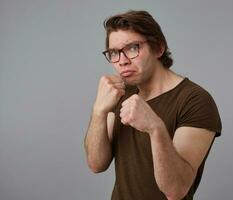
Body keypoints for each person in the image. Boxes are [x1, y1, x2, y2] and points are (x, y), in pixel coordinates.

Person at [84, 10, 222, 200]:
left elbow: (175, 190)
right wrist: (99, 111)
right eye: (114, 53)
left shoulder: (195, 100)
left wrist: (156, 128)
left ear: (158, 48)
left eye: (133, 48)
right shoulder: (120, 93)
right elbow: (96, 164)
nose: (122, 61)